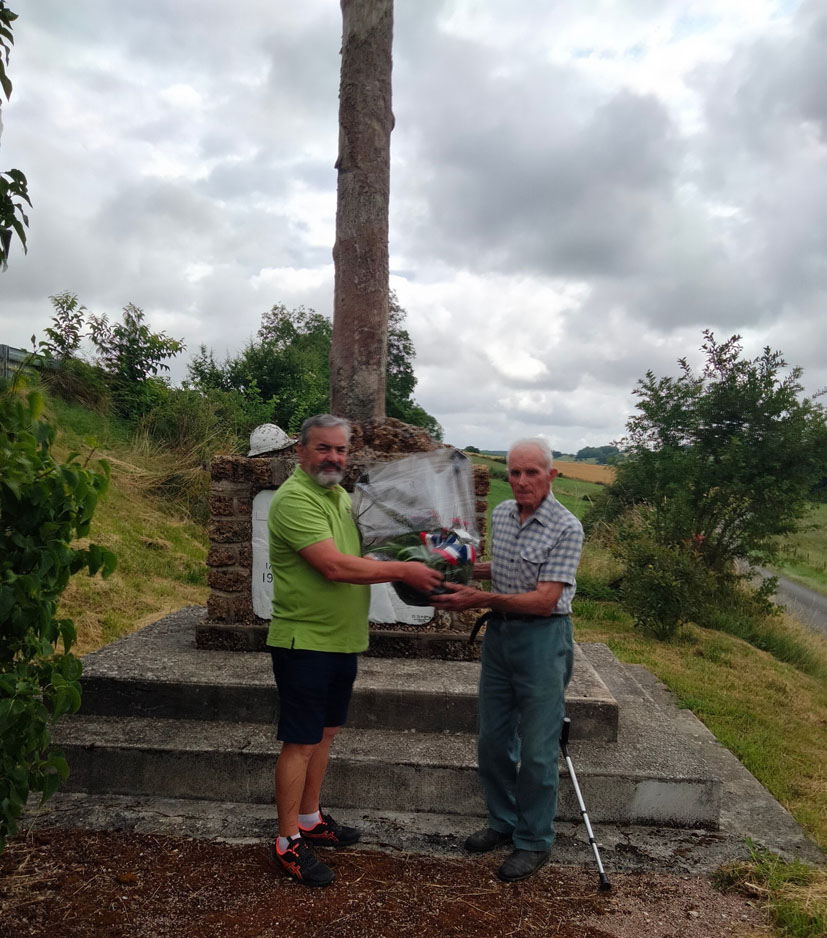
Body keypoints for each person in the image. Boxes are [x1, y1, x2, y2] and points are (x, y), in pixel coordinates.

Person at [266, 413, 444, 887]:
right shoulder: (294, 500)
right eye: (323, 448)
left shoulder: (339, 497)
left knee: (324, 734)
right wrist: (404, 573)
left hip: (341, 640)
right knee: (300, 741)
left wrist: (416, 553)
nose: (334, 458)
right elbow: (334, 567)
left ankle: (309, 819)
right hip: (304, 641)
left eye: (341, 450)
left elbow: (362, 556)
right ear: (300, 451)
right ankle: (287, 843)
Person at [431, 438, 583, 882]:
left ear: (551, 476)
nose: (520, 481)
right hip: (499, 637)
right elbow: (505, 567)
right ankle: (503, 822)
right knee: (493, 741)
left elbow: (543, 600)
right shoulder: (501, 514)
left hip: (543, 640)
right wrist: (449, 569)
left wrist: (477, 598)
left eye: (531, 472)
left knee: (537, 750)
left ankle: (534, 841)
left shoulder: (567, 527)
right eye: (513, 473)